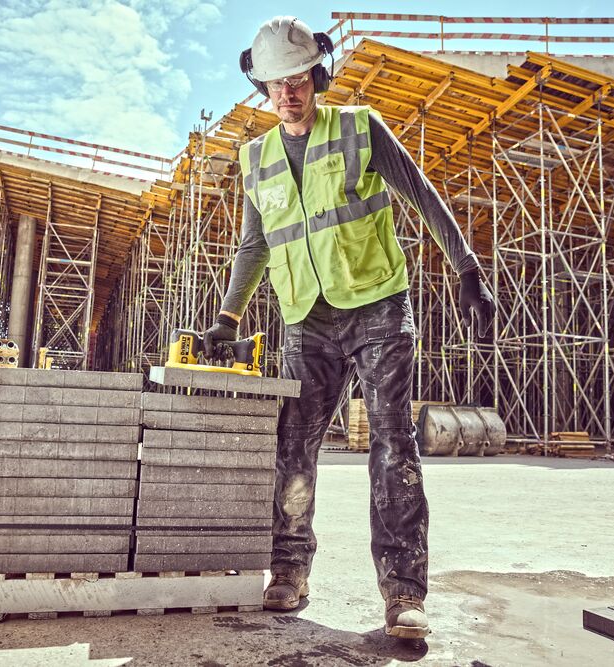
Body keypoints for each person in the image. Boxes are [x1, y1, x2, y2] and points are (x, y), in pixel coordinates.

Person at [203, 15, 496, 640]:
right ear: (264, 87)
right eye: (277, 82)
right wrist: (229, 315)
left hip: (377, 306)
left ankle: (402, 593)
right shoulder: (253, 159)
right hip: (304, 315)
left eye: (299, 76)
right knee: (293, 446)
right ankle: (288, 571)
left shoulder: (361, 127)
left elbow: (419, 192)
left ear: (318, 73)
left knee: (393, 445)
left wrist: (466, 265)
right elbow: (254, 244)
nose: (289, 91)